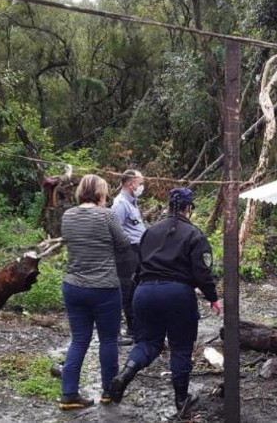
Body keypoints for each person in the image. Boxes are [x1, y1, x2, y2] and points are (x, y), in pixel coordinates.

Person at [110, 187, 221, 416]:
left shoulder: (149, 232)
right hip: (178, 294)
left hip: (144, 292)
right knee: (180, 346)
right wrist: (212, 298)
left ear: (169, 206)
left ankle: (124, 376)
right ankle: (182, 401)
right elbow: (202, 272)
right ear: (188, 208)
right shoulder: (194, 235)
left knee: (147, 343)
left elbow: (137, 268)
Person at [58, 174, 132, 410]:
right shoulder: (107, 215)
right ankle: (108, 391)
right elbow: (123, 243)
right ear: (101, 193)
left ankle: (69, 394)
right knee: (108, 340)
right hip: (104, 288)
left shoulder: (67, 215)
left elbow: (70, 240)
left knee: (79, 340)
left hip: (73, 286)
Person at [111, 169, 147, 344]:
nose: (142, 187)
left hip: (137, 250)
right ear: (131, 183)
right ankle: (129, 329)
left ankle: (135, 327)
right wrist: (125, 249)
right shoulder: (120, 204)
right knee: (127, 289)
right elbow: (114, 230)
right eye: (140, 183)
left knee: (135, 288)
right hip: (126, 252)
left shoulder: (132, 202)